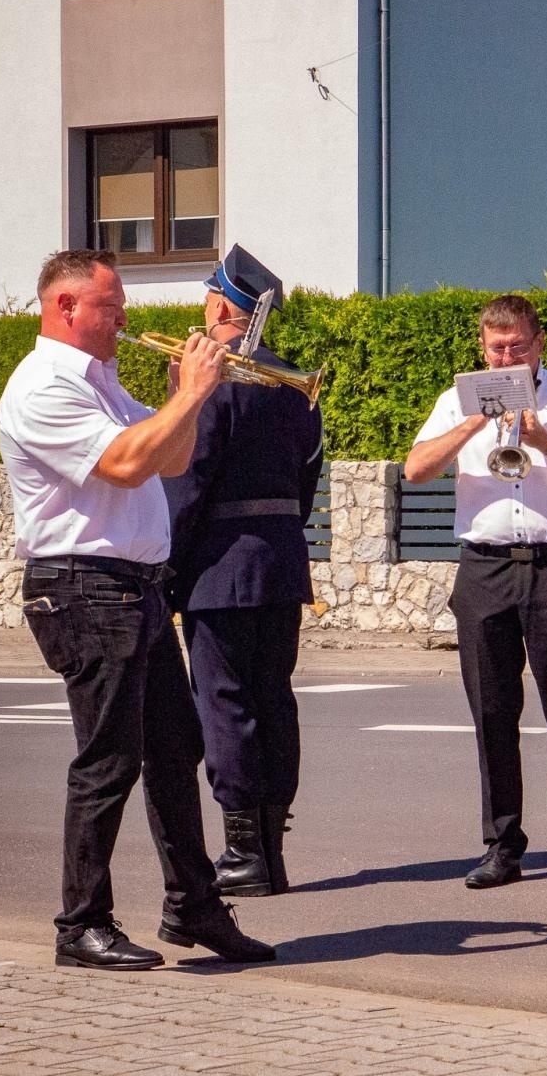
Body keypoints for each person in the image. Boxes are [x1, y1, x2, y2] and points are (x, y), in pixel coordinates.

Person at [0, 248, 276, 971]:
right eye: (111, 304)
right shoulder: (43, 388)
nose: (124, 316)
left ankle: (194, 905)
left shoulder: (105, 384)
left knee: (176, 754)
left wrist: (195, 392)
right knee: (109, 760)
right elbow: (122, 464)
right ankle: (80, 923)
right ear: (65, 307)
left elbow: (171, 460)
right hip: (84, 585)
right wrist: (188, 395)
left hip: (132, 586)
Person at [404, 294, 547, 890]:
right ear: (482, 348)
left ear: (538, 344)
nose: (506, 356)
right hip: (484, 569)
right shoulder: (455, 400)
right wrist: (475, 420)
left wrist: (546, 439)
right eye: (496, 348)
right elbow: (416, 468)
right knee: (492, 713)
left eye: (517, 346)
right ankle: (502, 846)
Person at [163, 245, 324, 899]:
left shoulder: (212, 382)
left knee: (225, 705)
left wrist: (169, 566)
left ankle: (242, 855)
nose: (203, 308)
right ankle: (272, 851)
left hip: (218, 568)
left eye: (208, 297)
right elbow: (308, 480)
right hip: (281, 562)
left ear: (223, 305)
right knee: (273, 701)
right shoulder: (295, 389)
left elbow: (185, 481)